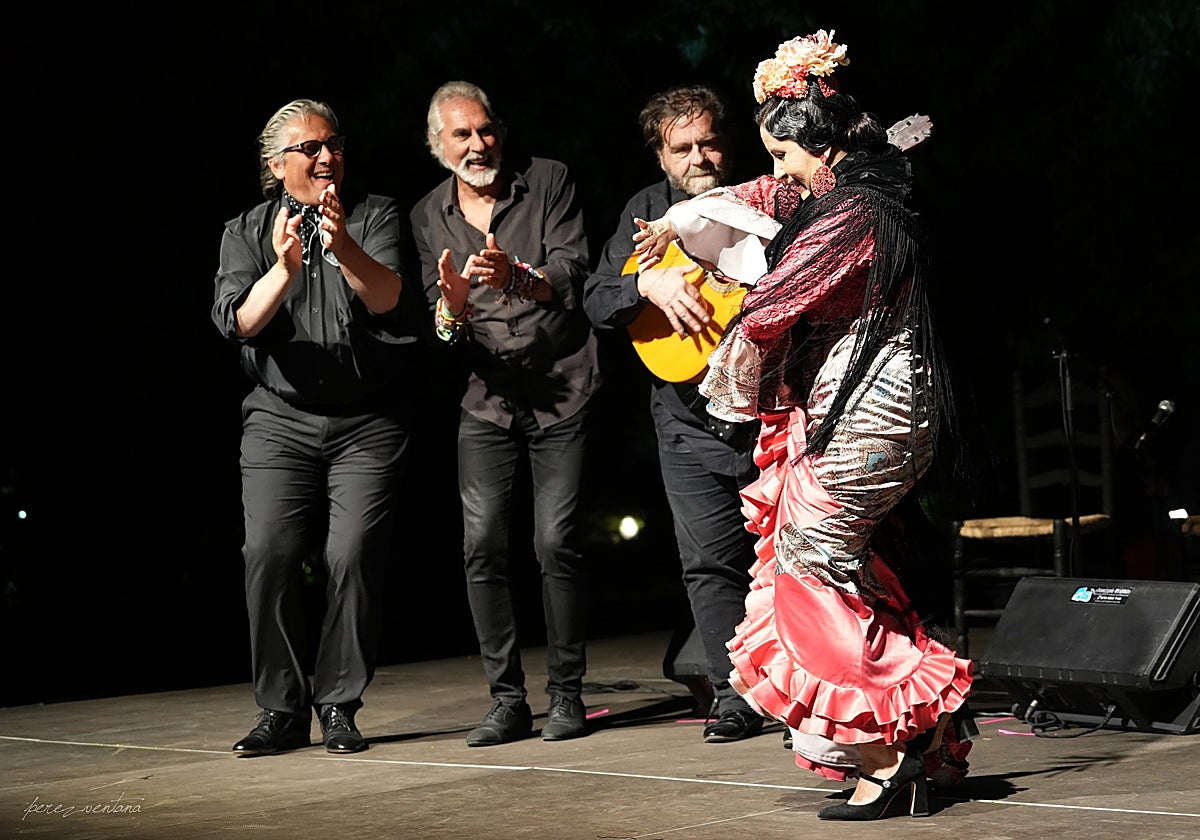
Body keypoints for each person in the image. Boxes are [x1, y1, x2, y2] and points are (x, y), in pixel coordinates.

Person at [634, 31, 973, 820]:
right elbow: (764, 196)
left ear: (818, 146)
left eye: (785, 154)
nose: (778, 170)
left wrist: (723, 302)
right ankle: (927, 737)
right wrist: (685, 220)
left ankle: (884, 759)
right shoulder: (845, 184)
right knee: (849, 569)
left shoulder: (852, 211)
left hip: (873, 409)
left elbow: (770, 307)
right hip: (860, 406)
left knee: (807, 567)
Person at [213, 98, 416, 757]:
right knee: (267, 555)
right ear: (277, 165)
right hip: (279, 421)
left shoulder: (376, 214)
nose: (327, 156)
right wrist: (285, 269)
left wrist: (342, 245)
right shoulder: (245, 231)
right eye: (310, 148)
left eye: (334, 143)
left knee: (350, 555)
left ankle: (338, 705)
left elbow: (388, 299)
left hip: (366, 421)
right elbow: (239, 322)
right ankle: (280, 709)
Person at [410, 81, 600, 746]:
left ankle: (568, 696)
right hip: (486, 399)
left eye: (485, 130)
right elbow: (441, 333)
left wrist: (518, 278)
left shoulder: (547, 181)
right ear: (439, 147)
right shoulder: (427, 214)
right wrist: (453, 307)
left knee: (555, 542)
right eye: (461, 135)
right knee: (483, 544)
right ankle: (507, 700)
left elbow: (573, 276)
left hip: (562, 385)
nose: (478, 144)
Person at [582, 85, 769, 743]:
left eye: (708, 141)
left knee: (794, 557)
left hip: (769, 406)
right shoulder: (644, 211)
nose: (699, 157)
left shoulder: (762, 198)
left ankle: (817, 691)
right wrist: (648, 283)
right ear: (661, 157)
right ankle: (734, 696)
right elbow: (596, 299)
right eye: (682, 148)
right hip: (686, 416)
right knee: (709, 560)